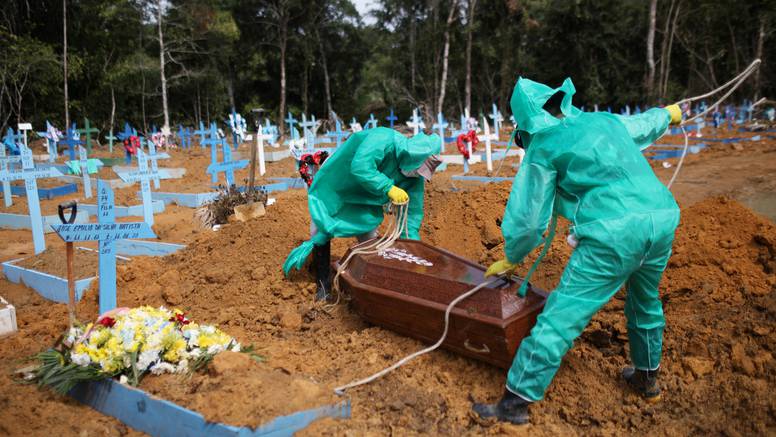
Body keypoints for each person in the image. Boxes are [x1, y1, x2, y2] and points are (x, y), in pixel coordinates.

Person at [473, 77, 683, 424]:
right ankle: (647, 378)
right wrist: (668, 114)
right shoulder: (602, 120)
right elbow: (643, 124)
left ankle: (513, 404)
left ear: (525, 124)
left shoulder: (543, 147)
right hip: (661, 218)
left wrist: (512, 256)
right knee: (645, 301)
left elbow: (530, 220)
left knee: (562, 314)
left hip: (613, 230)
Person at [283, 127, 442, 301]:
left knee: (369, 237)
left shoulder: (414, 178)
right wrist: (388, 188)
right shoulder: (384, 138)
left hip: (365, 199)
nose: (418, 173)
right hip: (337, 184)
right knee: (322, 228)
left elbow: (411, 217)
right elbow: (361, 166)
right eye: (419, 168)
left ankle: (369, 286)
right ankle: (323, 286)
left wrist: (414, 252)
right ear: (414, 156)